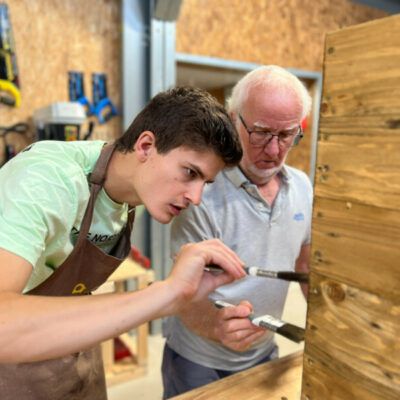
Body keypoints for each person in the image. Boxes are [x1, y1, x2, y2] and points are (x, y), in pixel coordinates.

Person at [0, 86, 246, 400]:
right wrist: (166, 294)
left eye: (205, 183)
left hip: (78, 352)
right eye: (190, 172)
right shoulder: (47, 179)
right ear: (145, 146)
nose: (196, 198)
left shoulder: (129, 194)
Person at [162, 66, 313, 398]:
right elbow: (183, 290)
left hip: (265, 351)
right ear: (234, 120)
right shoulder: (203, 191)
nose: (273, 150)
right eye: (259, 132)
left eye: (286, 135)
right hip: (198, 359)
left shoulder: (302, 187)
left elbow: (304, 266)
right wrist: (216, 326)